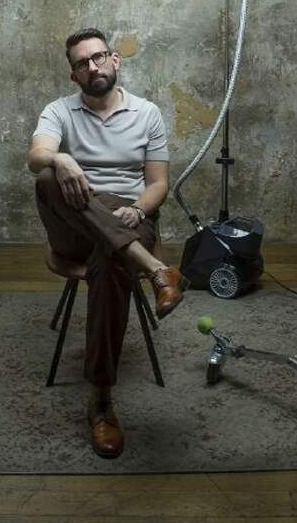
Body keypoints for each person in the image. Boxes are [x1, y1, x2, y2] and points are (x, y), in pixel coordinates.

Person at [28, 27, 187, 459]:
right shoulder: (59, 111)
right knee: (48, 178)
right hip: (76, 226)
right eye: (82, 63)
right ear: (73, 75)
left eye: (98, 57)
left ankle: (100, 401)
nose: (92, 66)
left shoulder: (147, 113)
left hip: (131, 218)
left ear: (114, 60)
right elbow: (36, 156)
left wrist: (137, 209)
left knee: (111, 261)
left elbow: (158, 185)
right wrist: (61, 158)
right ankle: (157, 271)